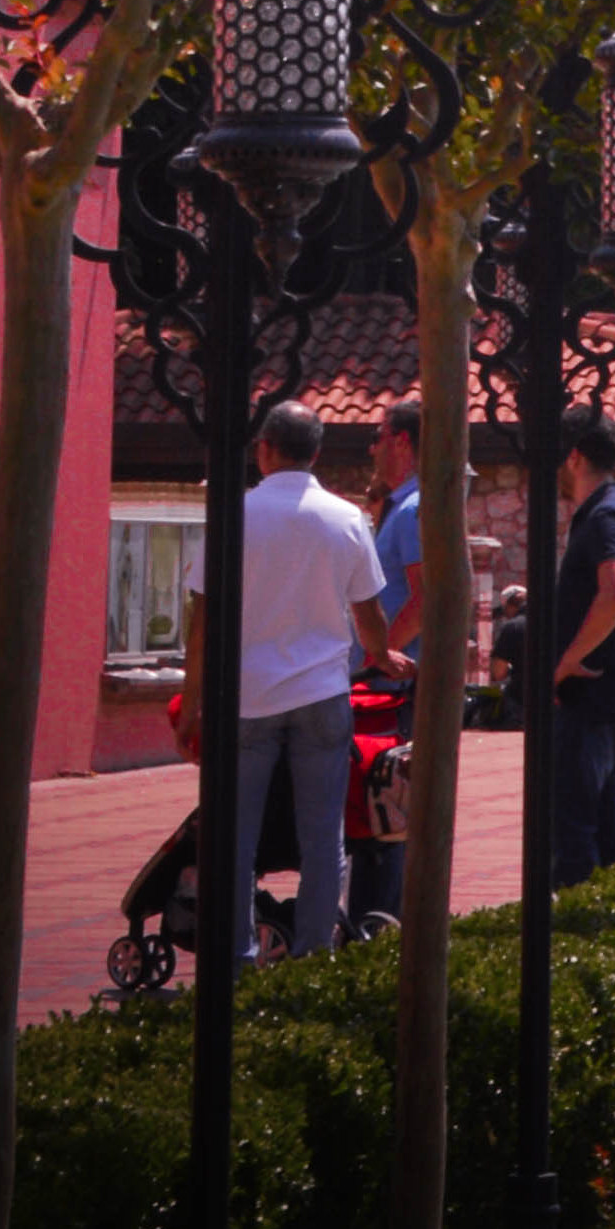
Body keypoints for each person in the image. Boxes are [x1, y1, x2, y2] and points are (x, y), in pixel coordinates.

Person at [175, 402, 395, 962]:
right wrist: (382, 655)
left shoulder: (234, 516)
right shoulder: (347, 519)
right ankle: (314, 957)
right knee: (323, 838)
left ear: (264, 448)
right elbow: (368, 613)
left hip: (246, 696)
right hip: (322, 693)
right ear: (316, 453)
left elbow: (203, 620)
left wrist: (193, 703)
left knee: (236, 838)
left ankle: (236, 957)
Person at [541, 405, 615, 892]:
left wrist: (569, 659)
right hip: (610, 698)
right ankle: (612, 922)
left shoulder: (606, 516)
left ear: (575, 457)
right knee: (605, 832)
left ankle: (574, 928)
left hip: (591, 702)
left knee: (575, 835)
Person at [369, 397, 428, 636]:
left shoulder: (412, 510)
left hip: (398, 660)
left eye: (377, 438)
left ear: (401, 441)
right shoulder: (402, 507)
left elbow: (424, 599)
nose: (372, 449)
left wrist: (381, 653)